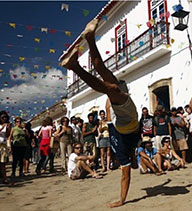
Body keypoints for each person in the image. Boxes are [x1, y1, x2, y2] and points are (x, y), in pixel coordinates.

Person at [60, 17, 139, 208]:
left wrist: (122, 200)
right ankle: (89, 39)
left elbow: (125, 176)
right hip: (124, 119)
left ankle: (77, 63)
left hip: (127, 117)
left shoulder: (122, 152)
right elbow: (125, 176)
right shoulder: (122, 148)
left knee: (109, 86)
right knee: (105, 76)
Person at [0, 111, 12, 183]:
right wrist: (2, 127)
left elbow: (7, 135)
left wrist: (8, 128)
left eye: (5, 117)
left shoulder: (7, 125)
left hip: (3, 145)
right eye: (2, 117)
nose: (4, 118)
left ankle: (4, 178)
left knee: (3, 162)